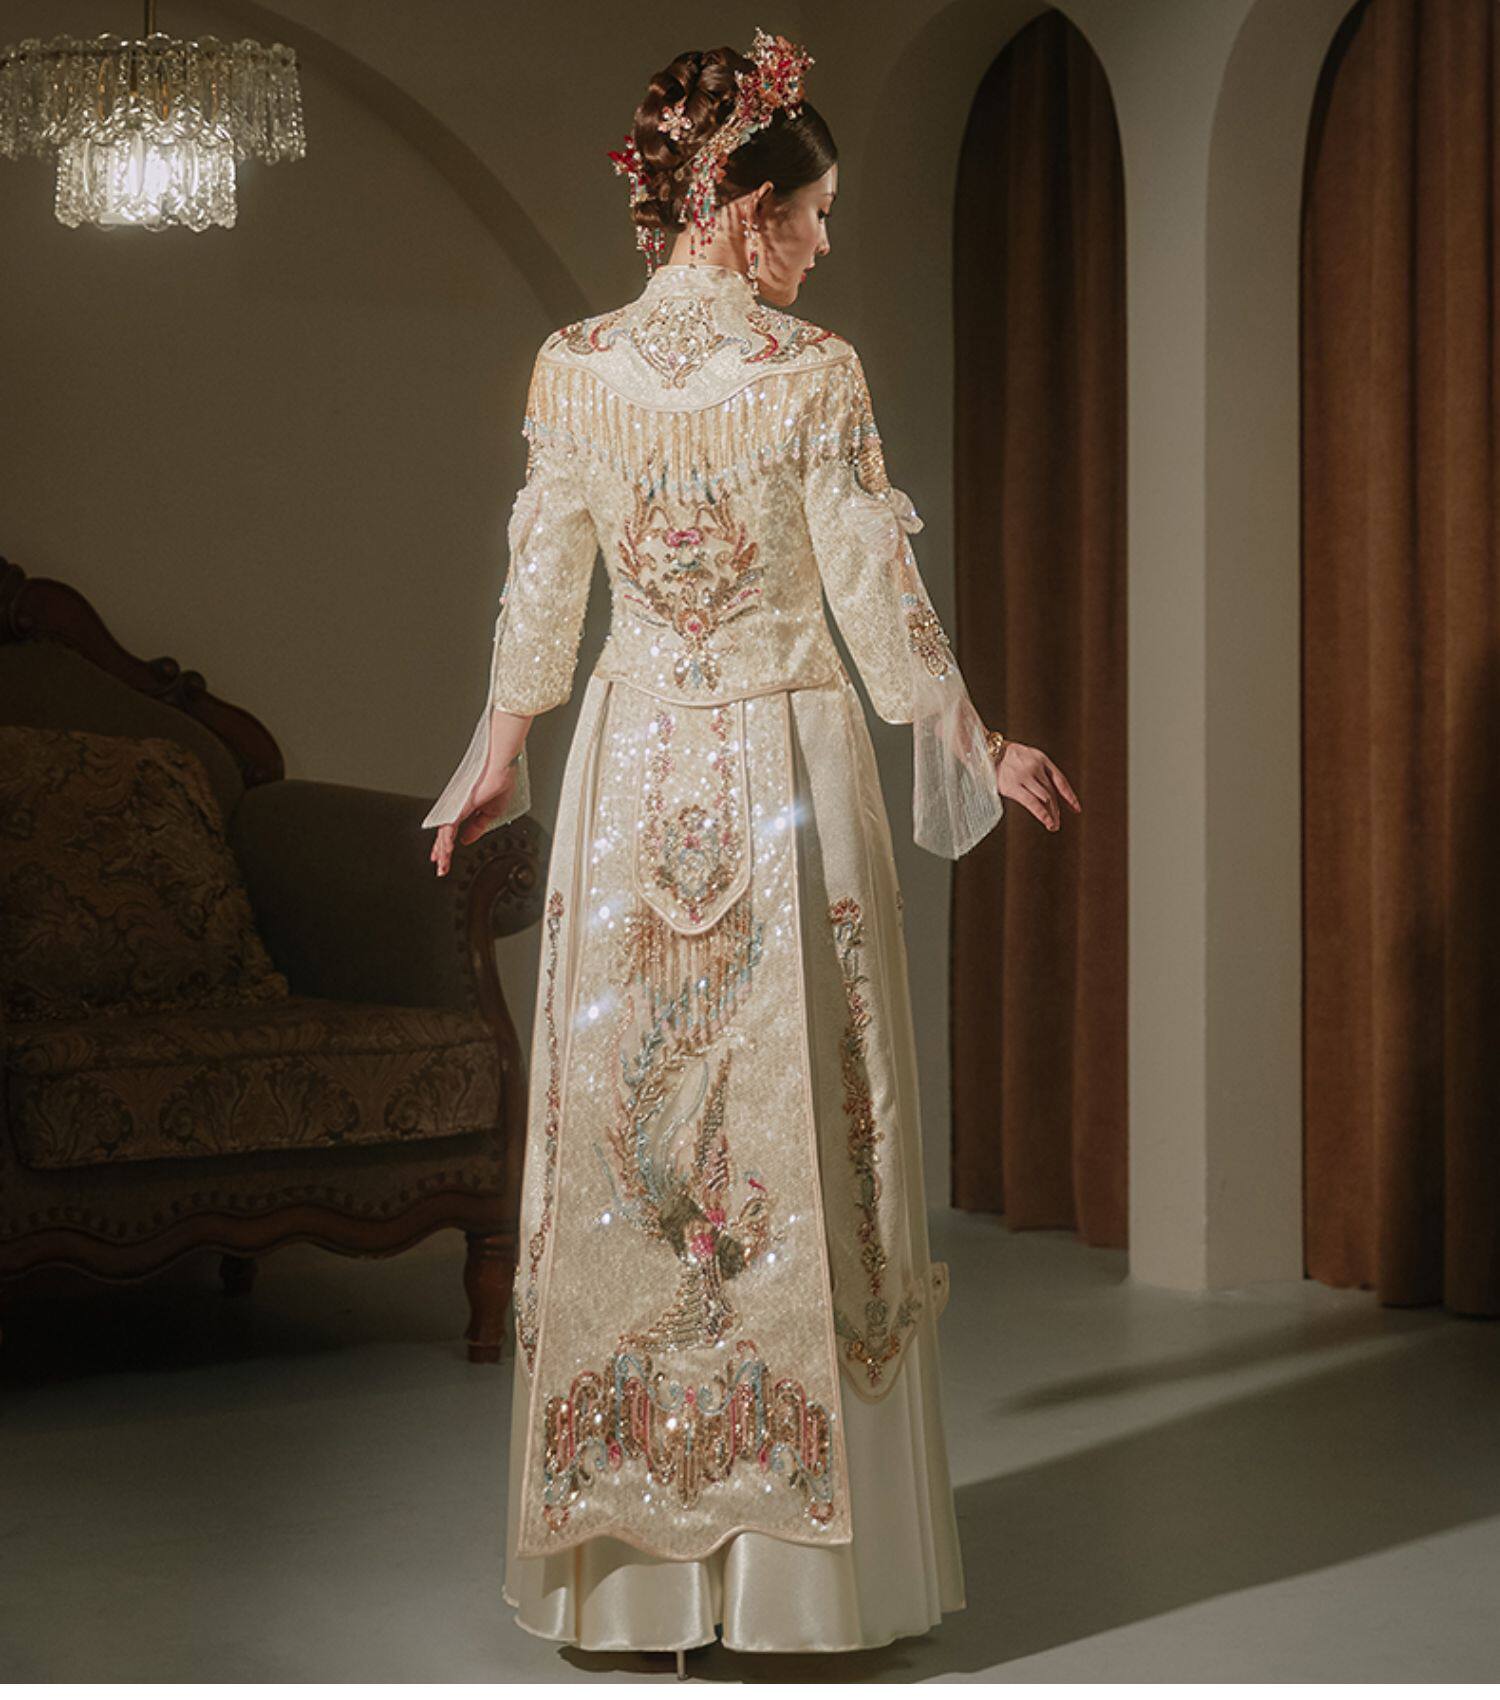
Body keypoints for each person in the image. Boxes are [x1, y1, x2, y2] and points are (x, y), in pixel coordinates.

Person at [423, 28, 1080, 1667]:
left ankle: (636, 1583)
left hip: (635, 770)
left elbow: (540, 589)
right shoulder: (810, 375)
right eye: (816, 211)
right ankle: (794, 1585)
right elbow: (873, 593)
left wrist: (497, 755)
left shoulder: (575, 365)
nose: (827, 243)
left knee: (642, 1121)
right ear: (740, 206)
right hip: (784, 769)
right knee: (794, 1129)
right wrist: (974, 736)